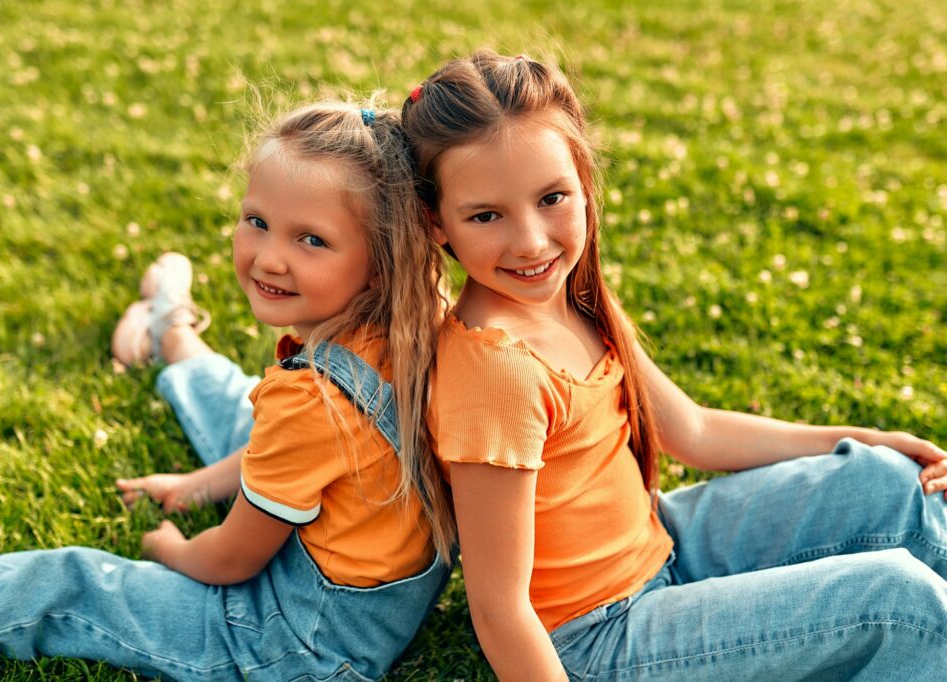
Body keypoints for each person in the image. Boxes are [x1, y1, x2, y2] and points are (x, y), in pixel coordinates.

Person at [401, 49, 947, 681]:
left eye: (552, 198)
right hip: (601, 639)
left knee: (888, 483)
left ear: (583, 182)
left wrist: (857, 440)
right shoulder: (495, 370)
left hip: (666, 541)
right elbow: (500, 610)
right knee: (894, 603)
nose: (530, 241)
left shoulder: (568, 296)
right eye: (486, 215)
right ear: (435, 222)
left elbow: (693, 430)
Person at [0, 101, 455, 682]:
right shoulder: (415, 321)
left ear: (380, 261)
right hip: (368, 595)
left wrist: (171, 550)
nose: (269, 257)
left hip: (295, 645)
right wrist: (193, 486)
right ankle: (169, 329)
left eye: (311, 239)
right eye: (257, 221)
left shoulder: (312, 402)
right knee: (245, 402)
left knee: (71, 583)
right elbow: (289, 448)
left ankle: (169, 322)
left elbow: (230, 558)